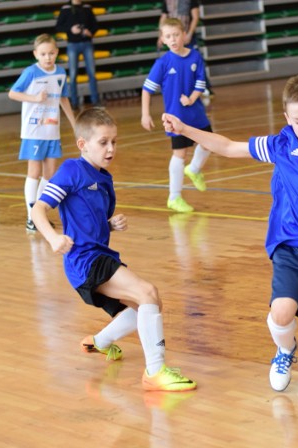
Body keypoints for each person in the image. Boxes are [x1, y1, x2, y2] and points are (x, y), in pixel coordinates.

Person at [162, 74, 298, 392]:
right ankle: (285, 349)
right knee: (281, 312)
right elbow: (226, 147)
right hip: (290, 246)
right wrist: (184, 130)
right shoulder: (280, 145)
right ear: (286, 118)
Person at [31, 108, 196, 392]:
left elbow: (91, 220)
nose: (111, 148)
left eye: (114, 142)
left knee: (148, 304)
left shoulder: (104, 178)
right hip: (84, 261)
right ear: (83, 144)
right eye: (103, 142)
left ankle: (100, 342)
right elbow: (38, 210)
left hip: (99, 256)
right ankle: (155, 372)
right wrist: (53, 238)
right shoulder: (72, 170)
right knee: (148, 293)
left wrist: (110, 224)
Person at [142, 18, 212, 213]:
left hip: (196, 112)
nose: (173, 39)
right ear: (163, 39)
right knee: (180, 154)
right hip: (176, 117)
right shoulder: (162, 63)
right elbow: (147, 89)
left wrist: (191, 98)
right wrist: (145, 114)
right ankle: (174, 197)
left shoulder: (195, 56)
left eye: (176, 35)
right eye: (168, 36)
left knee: (209, 143)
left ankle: (195, 169)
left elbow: (200, 82)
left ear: (184, 35)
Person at [8, 33, 76, 232]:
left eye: (52, 53)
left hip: (52, 130)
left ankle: (39, 214)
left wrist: (74, 123)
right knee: (34, 173)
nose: (48, 57)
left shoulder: (61, 73)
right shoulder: (31, 72)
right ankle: (31, 217)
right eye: (44, 54)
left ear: (57, 53)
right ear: (36, 54)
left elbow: (63, 99)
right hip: (33, 130)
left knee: (50, 174)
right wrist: (34, 98)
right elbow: (12, 93)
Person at [158, 0, 214, 97]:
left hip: (188, 38)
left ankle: (205, 88)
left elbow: (195, 17)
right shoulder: (167, 1)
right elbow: (163, 18)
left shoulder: (190, 1)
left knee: (196, 61)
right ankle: (181, 89)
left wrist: (189, 34)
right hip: (173, 39)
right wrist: (160, 36)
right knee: (176, 64)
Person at [55, 0, 101, 109]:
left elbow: (95, 25)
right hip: (72, 45)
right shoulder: (65, 8)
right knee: (73, 74)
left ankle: (95, 100)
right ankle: (74, 102)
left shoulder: (87, 7)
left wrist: (90, 32)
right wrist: (70, 29)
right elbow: (58, 26)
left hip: (87, 43)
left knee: (92, 73)